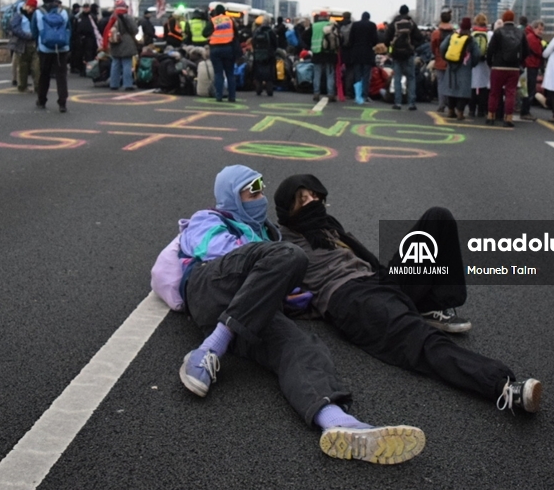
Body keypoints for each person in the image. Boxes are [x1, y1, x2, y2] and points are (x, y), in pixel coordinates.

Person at [168, 166, 425, 464]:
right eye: (252, 192)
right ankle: (208, 349)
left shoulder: (267, 232)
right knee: (289, 254)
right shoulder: (209, 219)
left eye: (261, 191)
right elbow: (213, 250)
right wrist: (275, 267)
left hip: (246, 310)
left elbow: (269, 277)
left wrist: (285, 291)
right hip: (210, 288)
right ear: (231, 196)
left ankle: (338, 423)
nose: (260, 198)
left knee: (303, 347)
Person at [274, 175, 543, 415]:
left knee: (437, 218)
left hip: (379, 278)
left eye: (314, 195)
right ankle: (503, 387)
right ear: (288, 211)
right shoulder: (284, 244)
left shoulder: (326, 225)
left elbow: (365, 257)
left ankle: (430, 305)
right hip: (353, 298)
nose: (312, 201)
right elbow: (274, 288)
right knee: (421, 341)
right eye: (302, 200)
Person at [485, 10, 526, 127]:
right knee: (510, 93)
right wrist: (519, 63)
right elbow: (526, 51)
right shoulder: (520, 33)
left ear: (503, 19)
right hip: (514, 68)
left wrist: (490, 63)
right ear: (514, 19)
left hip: (498, 66)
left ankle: (491, 116)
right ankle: (508, 118)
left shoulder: (498, 32)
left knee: (494, 92)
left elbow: (490, 50)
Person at [34, 0, 72, 112]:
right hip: (61, 49)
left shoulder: (38, 12)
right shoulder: (63, 12)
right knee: (61, 76)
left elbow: (34, 31)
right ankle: (62, 103)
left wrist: (38, 44)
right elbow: (68, 29)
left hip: (45, 48)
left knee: (44, 75)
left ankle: (41, 100)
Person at [439, 17, 478, 120]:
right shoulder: (471, 39)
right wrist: (472, 64)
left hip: (451, 66)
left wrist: (446, 58)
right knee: (463, 91)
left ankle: (450, 110)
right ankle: (460, 112)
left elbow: (442, 47)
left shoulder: (453, 36)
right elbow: (477, 54)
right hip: (465, 67)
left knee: (451, 89)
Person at [204, 4, 240, 103]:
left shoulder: (213, 20)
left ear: (215, 12)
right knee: (230, 74)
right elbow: (236, 34)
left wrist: (212, 34)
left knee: (218, 73)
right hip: (228, 48)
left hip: (215, 49)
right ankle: (232, 97)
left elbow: (204, 33)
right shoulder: (230, 20)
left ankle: (219, 96)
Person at [386, 5, 418, 110]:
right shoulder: (411, 23)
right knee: (411, 78)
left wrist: (390, 49)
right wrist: (413, 46)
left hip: (396, 54)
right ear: (407, 12)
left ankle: (398, 102)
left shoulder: (394, 23)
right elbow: (419, 37)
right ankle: (411, 103)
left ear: (399, 12)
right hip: (409, 53)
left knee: (397, 78)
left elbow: (387, 38)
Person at [104, 0, 138, 91]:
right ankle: (127, 84)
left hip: (114, 41)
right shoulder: (127, 17)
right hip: (126, 41)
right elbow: (134, 30)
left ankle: (114, 84)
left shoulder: (113, 17)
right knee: (126, 64)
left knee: (115, 63)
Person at [12, 0, 40, 95]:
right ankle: (22, 86)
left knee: (36, 67)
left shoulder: (35, 15)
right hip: (22, 43)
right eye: (30, 7)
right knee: (22, 66)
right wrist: (26, 35)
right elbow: (15, 28)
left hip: (34, 43)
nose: (31, 10)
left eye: (33, 8)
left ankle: (38, 87)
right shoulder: (19, 14)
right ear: (26, 5)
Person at [347, 12, 378, 103]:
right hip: (367, 52)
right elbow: (375, 40)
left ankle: (358, 95)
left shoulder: (355, 25)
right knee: (366, 76)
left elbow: (350, 39)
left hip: (356, 52)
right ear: (369, 17)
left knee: (357, 75)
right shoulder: (372, 25)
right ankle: (365, 95)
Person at [307, 12, 338, 102]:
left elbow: (304, 36)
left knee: (317, 74)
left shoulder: (314, 26)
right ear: (327, 17)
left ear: (319, 17)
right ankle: (330, 94)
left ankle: (316, 93)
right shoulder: (332, 25)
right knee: (330, 74)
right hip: (330, 53)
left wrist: (310, 45)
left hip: (317, 52)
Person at [429, 10, 453, 112]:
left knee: (441, 82)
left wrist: (436, 54)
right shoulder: (454, 32)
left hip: (440, 59)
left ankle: (441, 104)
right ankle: (450, 104)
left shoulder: (436, 33)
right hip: (452, 59)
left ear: (441, 19)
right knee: (451, 82)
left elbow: (433, 46)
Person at [520, 20, 544, 121]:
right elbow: (539, 52)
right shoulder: (532, 38)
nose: (541, 32)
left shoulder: (530, 36)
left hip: (530, 65)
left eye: (542, 30)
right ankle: (525, 111)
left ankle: (525, 110)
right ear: (534, 28)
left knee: (527, 90)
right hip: (531, 65)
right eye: (539, 29)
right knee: (530, 90)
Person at [469, 14, 492, 118]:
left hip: (474, 63)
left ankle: (471, 110)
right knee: (484, 87)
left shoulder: (472, 34)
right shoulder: (489, 34)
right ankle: (481, 110)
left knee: (473, 86)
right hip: (485, 63)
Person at [250, 16, 277, 97]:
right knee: (269, 72)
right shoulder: (271, 32)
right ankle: (269, 89)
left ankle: (258, 88)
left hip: (258, 55)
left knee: (258, 72)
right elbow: (275, 43)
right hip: (269, 55)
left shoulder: (257, 31)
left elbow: (253, 42)